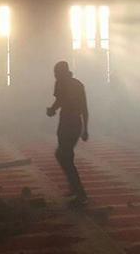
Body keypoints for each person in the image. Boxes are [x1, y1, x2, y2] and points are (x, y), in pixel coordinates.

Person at [46, 61, 89, 206]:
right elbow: (61, 101)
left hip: (70, 124)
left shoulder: (65, 84)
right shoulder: (76, 84)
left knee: (64, 156)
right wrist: (85, 128)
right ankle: (74, 187)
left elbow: (82, 107)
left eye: (57, 73)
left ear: (63, 72)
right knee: (65, 155)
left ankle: (80, 192)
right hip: (69, 123)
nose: (55, 76)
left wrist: (52, 110)